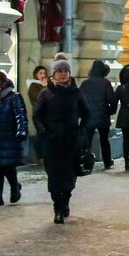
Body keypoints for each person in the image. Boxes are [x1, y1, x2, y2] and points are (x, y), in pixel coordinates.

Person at [33, 57, 89, 223]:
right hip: (52, 142)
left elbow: (86, 113)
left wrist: (80, 129)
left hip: (71, 141)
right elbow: (37, 115)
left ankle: (66, 200)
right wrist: (44, 132)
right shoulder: (45, 93)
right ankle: (58, 207)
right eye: (60, 71)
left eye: (65, 71)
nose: (63, 74)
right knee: (54, 175)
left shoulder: (76, 92)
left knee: (70, 176)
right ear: (54, 74)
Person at [0, 71, 28, 206]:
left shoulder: (13, 97)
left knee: (7, 166)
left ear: (3, 81)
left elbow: (20, 115)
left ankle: (14, 188)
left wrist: (21, 131)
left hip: (9, 137)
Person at [78, 60, 116, 170]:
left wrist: (81, 114)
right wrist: (110, 111)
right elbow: (111, 100)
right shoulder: (105, 83)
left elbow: (80, 100)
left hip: (88, 117)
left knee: (87, 142)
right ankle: (107, 162)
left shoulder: (85, 83)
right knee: (104, 140)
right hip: (103, 116)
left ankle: (87, 163)